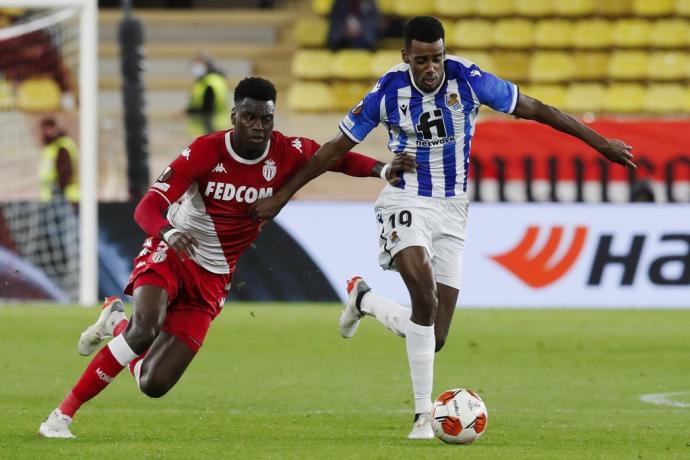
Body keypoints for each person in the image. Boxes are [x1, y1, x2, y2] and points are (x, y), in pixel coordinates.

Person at [251, 16, 637, 440]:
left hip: (454, 208)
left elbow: (539, 110)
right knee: (423, 288)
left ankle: (366, 301)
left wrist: (601, 143)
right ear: (406, 57)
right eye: (422, 61)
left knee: (433, 336)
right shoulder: (386, 91)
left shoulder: (468, 79)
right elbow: (332, 151)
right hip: (406, 197)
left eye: (437, 58)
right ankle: (422, 416)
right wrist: (281, 197)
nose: (431, 68)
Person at [38, 76, 411, 438]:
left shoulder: (288, 151)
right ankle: (61, 416)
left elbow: (337, 158)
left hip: (214, 277)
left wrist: (381, 170)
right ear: (234, 116)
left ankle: (115, 323)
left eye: (266, 118)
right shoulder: (205, 151)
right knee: (146, 326)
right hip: (172, 252)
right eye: (249, 117)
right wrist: (168, 232)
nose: (258, 126)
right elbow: (147, 207)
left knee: (153, 384)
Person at [185, 54, 230, 135]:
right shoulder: (214, 80)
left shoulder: (209, 82)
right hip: (215, 126)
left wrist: (188, 112)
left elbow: (208, 106)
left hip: (210, 126)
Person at [38, 117, 79, 203]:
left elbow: (66, 171)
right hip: (50, 197)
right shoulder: (49, 148)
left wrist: (59, 190)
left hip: (65, 196)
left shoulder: (62, 146)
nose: (44, 133)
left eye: (47, 129)